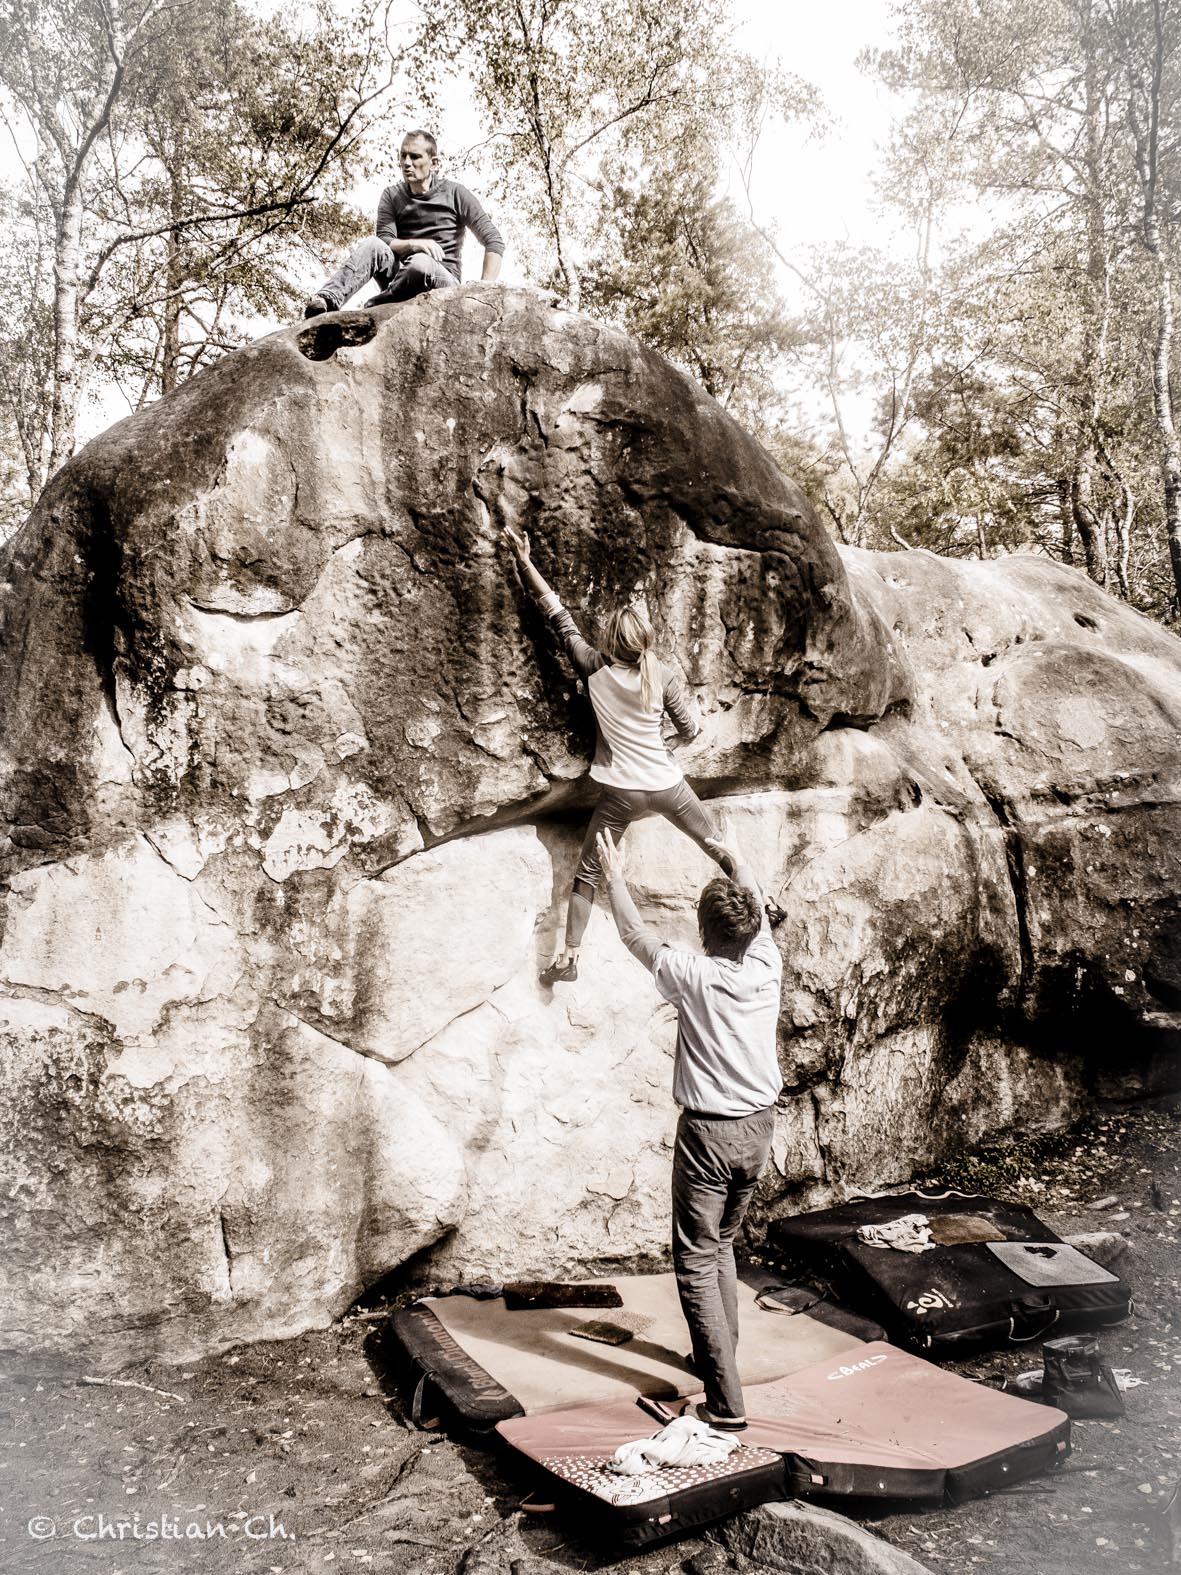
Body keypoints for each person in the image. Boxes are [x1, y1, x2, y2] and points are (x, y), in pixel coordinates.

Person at [595, 822, 783, 1431]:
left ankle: (725, 1406)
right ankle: (718, 1355)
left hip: (708, 1135)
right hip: (758, 1130)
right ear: (754, 927)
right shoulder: (766, 965)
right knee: (721, 1244)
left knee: (697, 1257)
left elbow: (633, 934)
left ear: (703, 933)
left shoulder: (692, 975)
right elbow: (752, 910)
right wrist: (735, 858)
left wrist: (614, 877)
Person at [503, 522, 731, 987]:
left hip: (621, 793)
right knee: (715, 843)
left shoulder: (593, 669)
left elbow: (558, 616)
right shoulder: (662, 675)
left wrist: (525, 562)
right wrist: (665, 746)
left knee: (588, 874)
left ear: (611, 641)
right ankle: (763, 904)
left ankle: (568, 958)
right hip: (667, 785)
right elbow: (689, 728)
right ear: (645, 641)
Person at [304, 129, 504, 316]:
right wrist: (414, 244)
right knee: (373, 245)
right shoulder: (392, 195)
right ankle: (327, 299)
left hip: (443, 281)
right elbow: (384, 239)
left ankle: (380, 304)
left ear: (434, 163)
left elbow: (493, 240)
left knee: (421, 262)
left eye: (415, 156)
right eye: (403, 156)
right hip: (402, 276)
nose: (407, 163)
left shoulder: (455, 193)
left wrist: (482, 291)